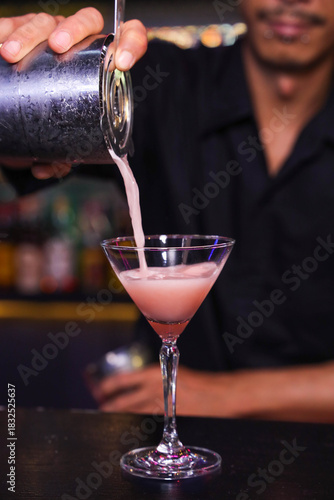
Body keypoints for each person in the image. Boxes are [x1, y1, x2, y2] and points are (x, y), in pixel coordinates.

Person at [1, 1, 334, 423]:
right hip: (163, 468)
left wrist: (226, 396)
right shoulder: (158, 81)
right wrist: (21, 76)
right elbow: (27, 142)